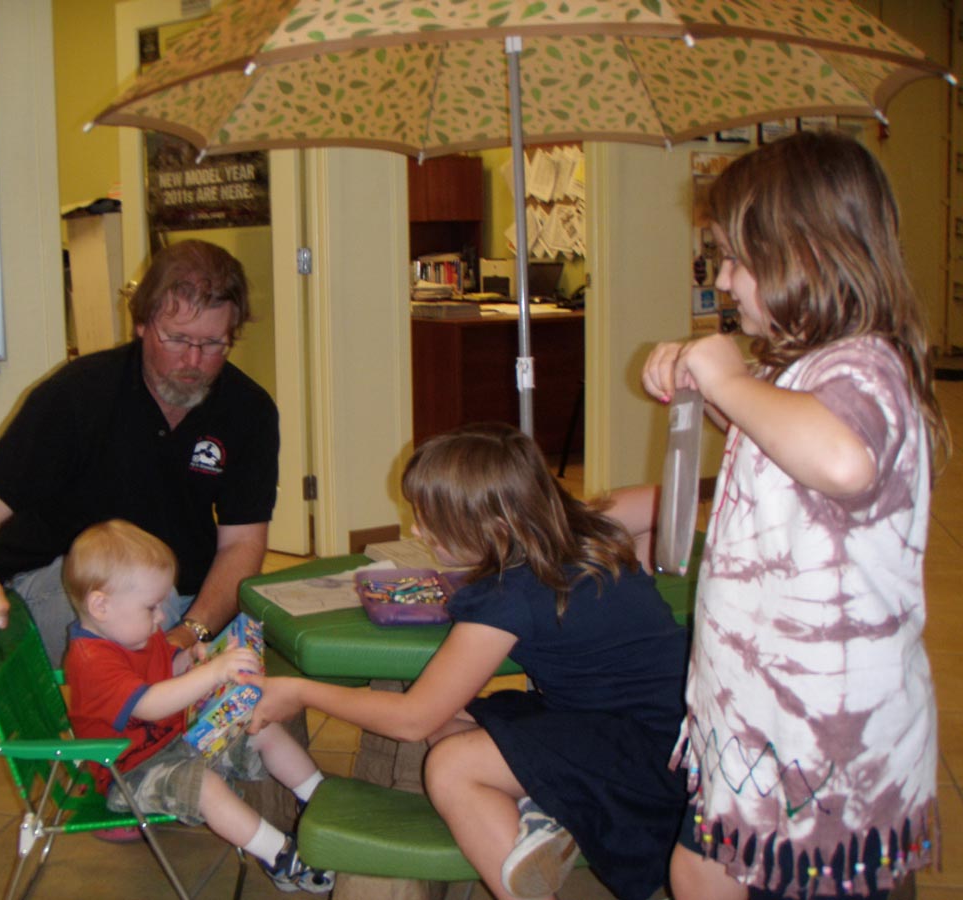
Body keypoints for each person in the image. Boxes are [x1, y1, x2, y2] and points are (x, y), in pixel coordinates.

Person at [640, 130, 948, 900]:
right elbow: (788, 454)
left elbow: (841, 460)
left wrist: (729, 381)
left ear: (804, 254)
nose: (724, 280)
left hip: (824, 749)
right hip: (754, 726)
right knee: (697, 868)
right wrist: (715, 395)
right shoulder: (802, 370)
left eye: (736, 260)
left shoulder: (866, 364)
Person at [247, 423, 690, 900]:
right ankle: (546, 810)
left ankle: (542, 825)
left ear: (494, 529)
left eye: (429, 521)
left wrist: (301, 691)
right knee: (453, 721)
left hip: (655, 755)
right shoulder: (580, 526)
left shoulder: (510, 597)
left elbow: (411, 719)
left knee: (450, 764)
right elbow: (669, 498)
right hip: (646, 722)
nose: (416, 531)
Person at [0, 239, 279, 666]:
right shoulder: (78, 394)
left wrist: (191, 632)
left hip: (170, 596)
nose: (193, 360)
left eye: (213, 344)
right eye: (176, 338)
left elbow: (242, 544)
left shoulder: (249, 410)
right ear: (141, 323)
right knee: (135, 611)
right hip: (56, 584)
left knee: (256, 653)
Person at [61, 519, 334, 894]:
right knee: (206, 787)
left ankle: (320, 799)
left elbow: (165, 669)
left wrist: (194, 658)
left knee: (260, 725)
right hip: (129, 773)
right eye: (151, 607)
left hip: (177, 741)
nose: (162, 617)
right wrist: (213, 673)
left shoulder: (132, 634)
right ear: (101, 606)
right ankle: (281, 857)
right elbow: (150, 704)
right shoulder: (93, 660)